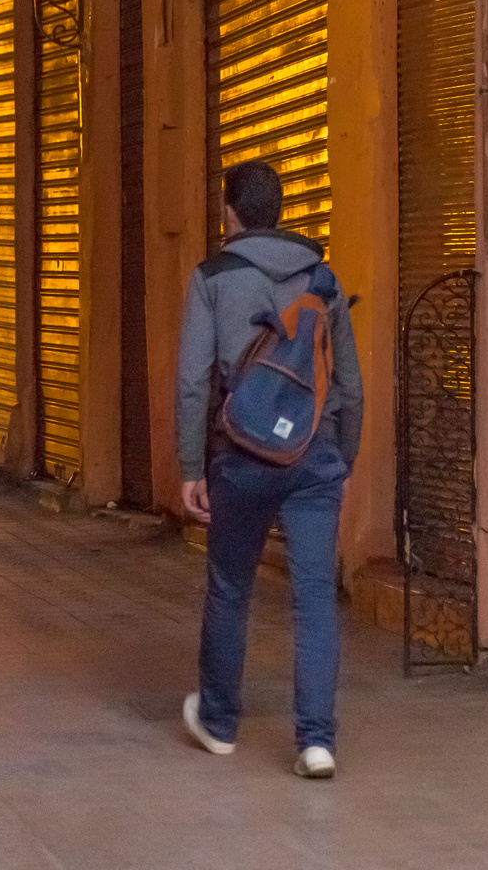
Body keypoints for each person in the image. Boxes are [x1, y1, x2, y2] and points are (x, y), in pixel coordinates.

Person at [174, 160, 363, 780]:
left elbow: (193, 383)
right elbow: (350, 386)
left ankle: (221, 723)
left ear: (230, 211)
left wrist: (188, 465)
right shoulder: (322, 278)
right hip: (316, 455)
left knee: (231, 586)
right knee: (314, 598)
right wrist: (341, 457)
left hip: (242, 455)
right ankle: (316, 741)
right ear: (280, 210)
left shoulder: (212, 277)